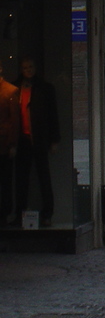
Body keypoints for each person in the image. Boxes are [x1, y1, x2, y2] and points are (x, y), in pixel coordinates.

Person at [14, 57, 60, 227]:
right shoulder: (15, 89)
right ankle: (20, 213)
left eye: (31, 67)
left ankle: (47, 213)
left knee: (43, 177)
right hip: (22, 139)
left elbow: (52, 115)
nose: (28, 70)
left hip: (40, 138)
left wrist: (54, 139)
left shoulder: (45, 89)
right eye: (25, 67)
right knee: (21, 179)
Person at [0, 72, 18, 224]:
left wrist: (12, 143)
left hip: (4, 142)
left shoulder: (10, 91)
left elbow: (14, 120)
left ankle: (5, 213)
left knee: (5, 181)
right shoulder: (10, 91)